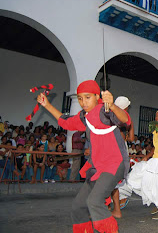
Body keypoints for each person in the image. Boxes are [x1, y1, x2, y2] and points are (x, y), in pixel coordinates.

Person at [37, 80, 130, 233]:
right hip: (97, 167)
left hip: (114, 164)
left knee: (94, 202)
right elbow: (65, 122)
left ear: (96, 96)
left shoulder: (104, 110)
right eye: (80, 98)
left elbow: (124, 120)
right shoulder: (84, 117)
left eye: (87, 97)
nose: (83, 102)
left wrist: (112, 105)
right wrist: (47, 105)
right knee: (78, 207)